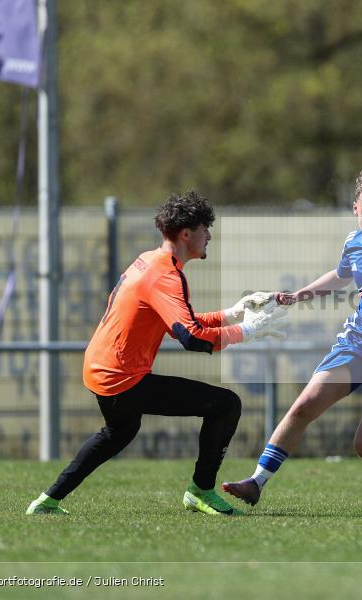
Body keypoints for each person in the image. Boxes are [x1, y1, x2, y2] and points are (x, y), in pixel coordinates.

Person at [26, 191, 288, 517]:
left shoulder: (150, 261)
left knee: (119, 432)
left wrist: (232, 314)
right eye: (205, 228)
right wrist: (247, 332)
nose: (209, 236)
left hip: (100, 369)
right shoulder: (166, 275)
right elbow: (190, 338)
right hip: (121, 377)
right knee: (225, 405)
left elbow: (179, 322)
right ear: (186, 233)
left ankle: (46, 501)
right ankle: (201, 491)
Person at [222, 165, 362, 506]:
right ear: (355, 208)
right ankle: (257, 481)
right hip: (359, 341)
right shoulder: (353, 243)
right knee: (304, 405)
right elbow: (340, 276)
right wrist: (299, 295)